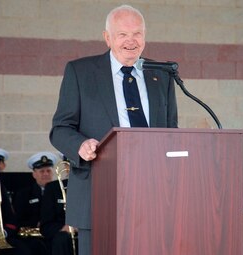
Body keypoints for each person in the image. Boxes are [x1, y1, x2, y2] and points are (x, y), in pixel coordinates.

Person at [49, 4, 178, 255]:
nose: (131, 41)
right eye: (122, 34)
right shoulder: (80, 72)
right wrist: (80, 145)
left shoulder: (161, 74)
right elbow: (61, 128)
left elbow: (171, 129)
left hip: (154, 190)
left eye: (137, 34)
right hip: (99, 190)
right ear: (107, 38)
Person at [12, 152, 57, 255]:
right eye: (42, 171)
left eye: (48, 171)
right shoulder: (23, 194)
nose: (46, 174)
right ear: (34, 174)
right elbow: (17, 218)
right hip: (31, 238)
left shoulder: (60, 192)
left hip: (53, 235)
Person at [40, 160, 77, 255]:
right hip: (64, 234)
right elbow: (46, 225)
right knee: (61, 239)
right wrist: (64, 228)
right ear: (65, 166)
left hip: (90, 230)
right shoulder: (53, 188)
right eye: (71, 163)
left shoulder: (96, 185)